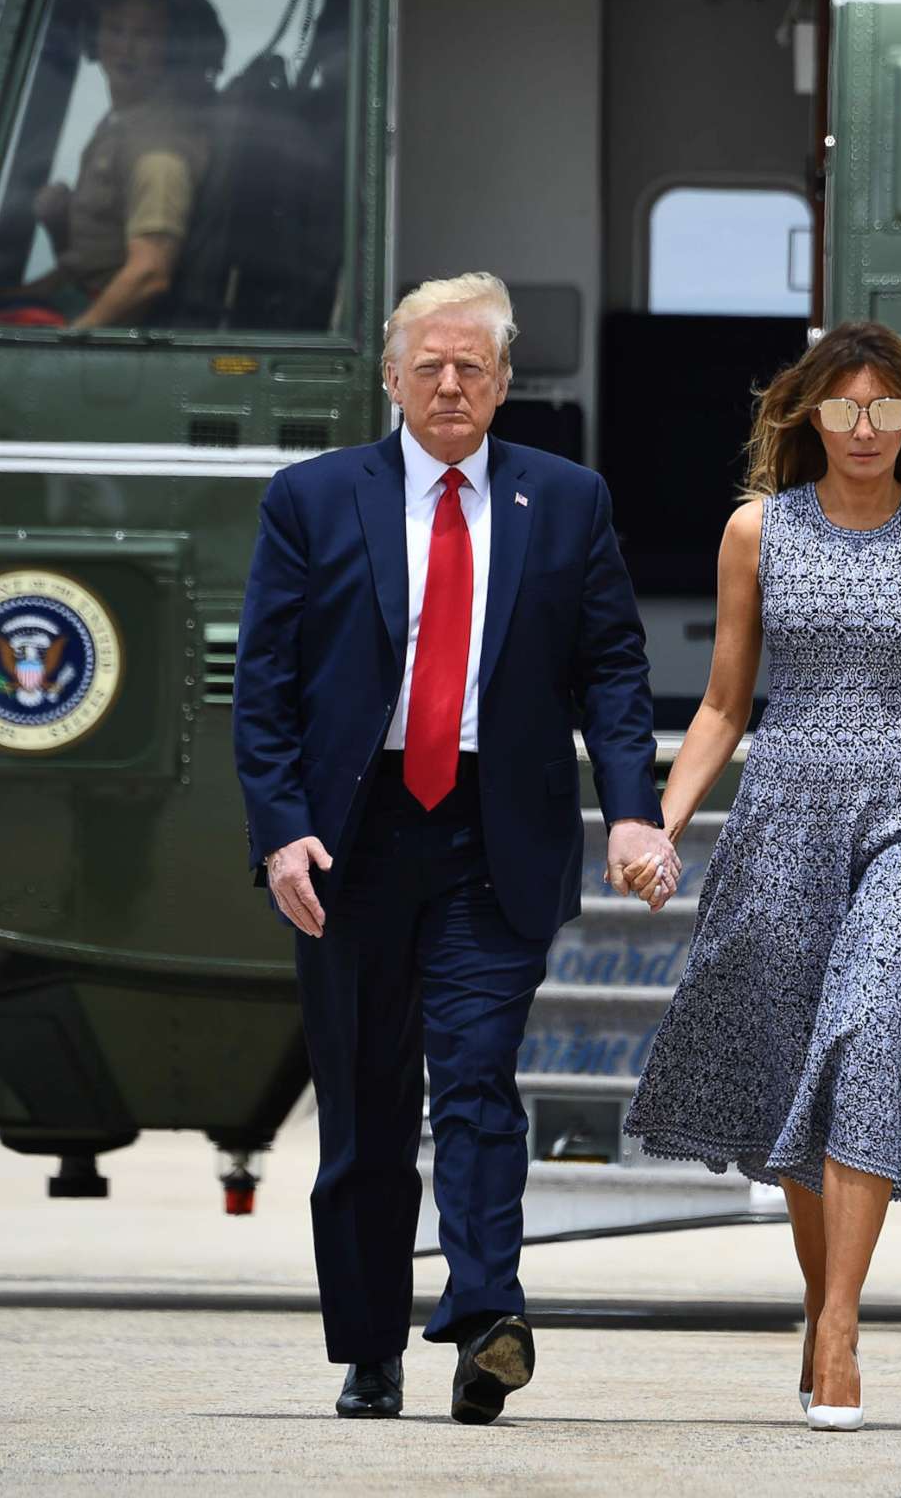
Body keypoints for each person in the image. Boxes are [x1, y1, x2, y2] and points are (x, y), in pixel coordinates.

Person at [230, 272, 675, 1425]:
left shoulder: (565, 501)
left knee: (477, 1081)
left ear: (505, 383)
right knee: (368, 1107)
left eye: (471, 365)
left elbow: (614, 671)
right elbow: (264, 689)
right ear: (390, 378)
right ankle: (370, 1347)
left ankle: (487, 1320)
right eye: (427, 363)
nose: (448, 383)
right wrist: (281, 834)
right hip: (351, 840)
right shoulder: (313, 500)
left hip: (493, 833)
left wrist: (632, 807)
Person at [622, 320, 901, 1432]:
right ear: (806, 416)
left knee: (866, 1037)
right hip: (786, 809)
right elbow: (724, 702)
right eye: (843, 409)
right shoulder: (754, 532)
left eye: (886, 410)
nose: (865, 430)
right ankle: (822, 1302)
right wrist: (664, 822)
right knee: (796, 1067)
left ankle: (842, 1328)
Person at [19, 0, 218, 331]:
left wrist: (65, 342)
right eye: (114, 29)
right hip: (79, 298)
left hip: (106, 323)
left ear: (172, 49)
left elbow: (149, 274)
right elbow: (92, 264)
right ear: (93, 40)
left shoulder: (159, 150)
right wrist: (56, 228)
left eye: (145, 35)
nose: (126, 48)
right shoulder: (119, 125)